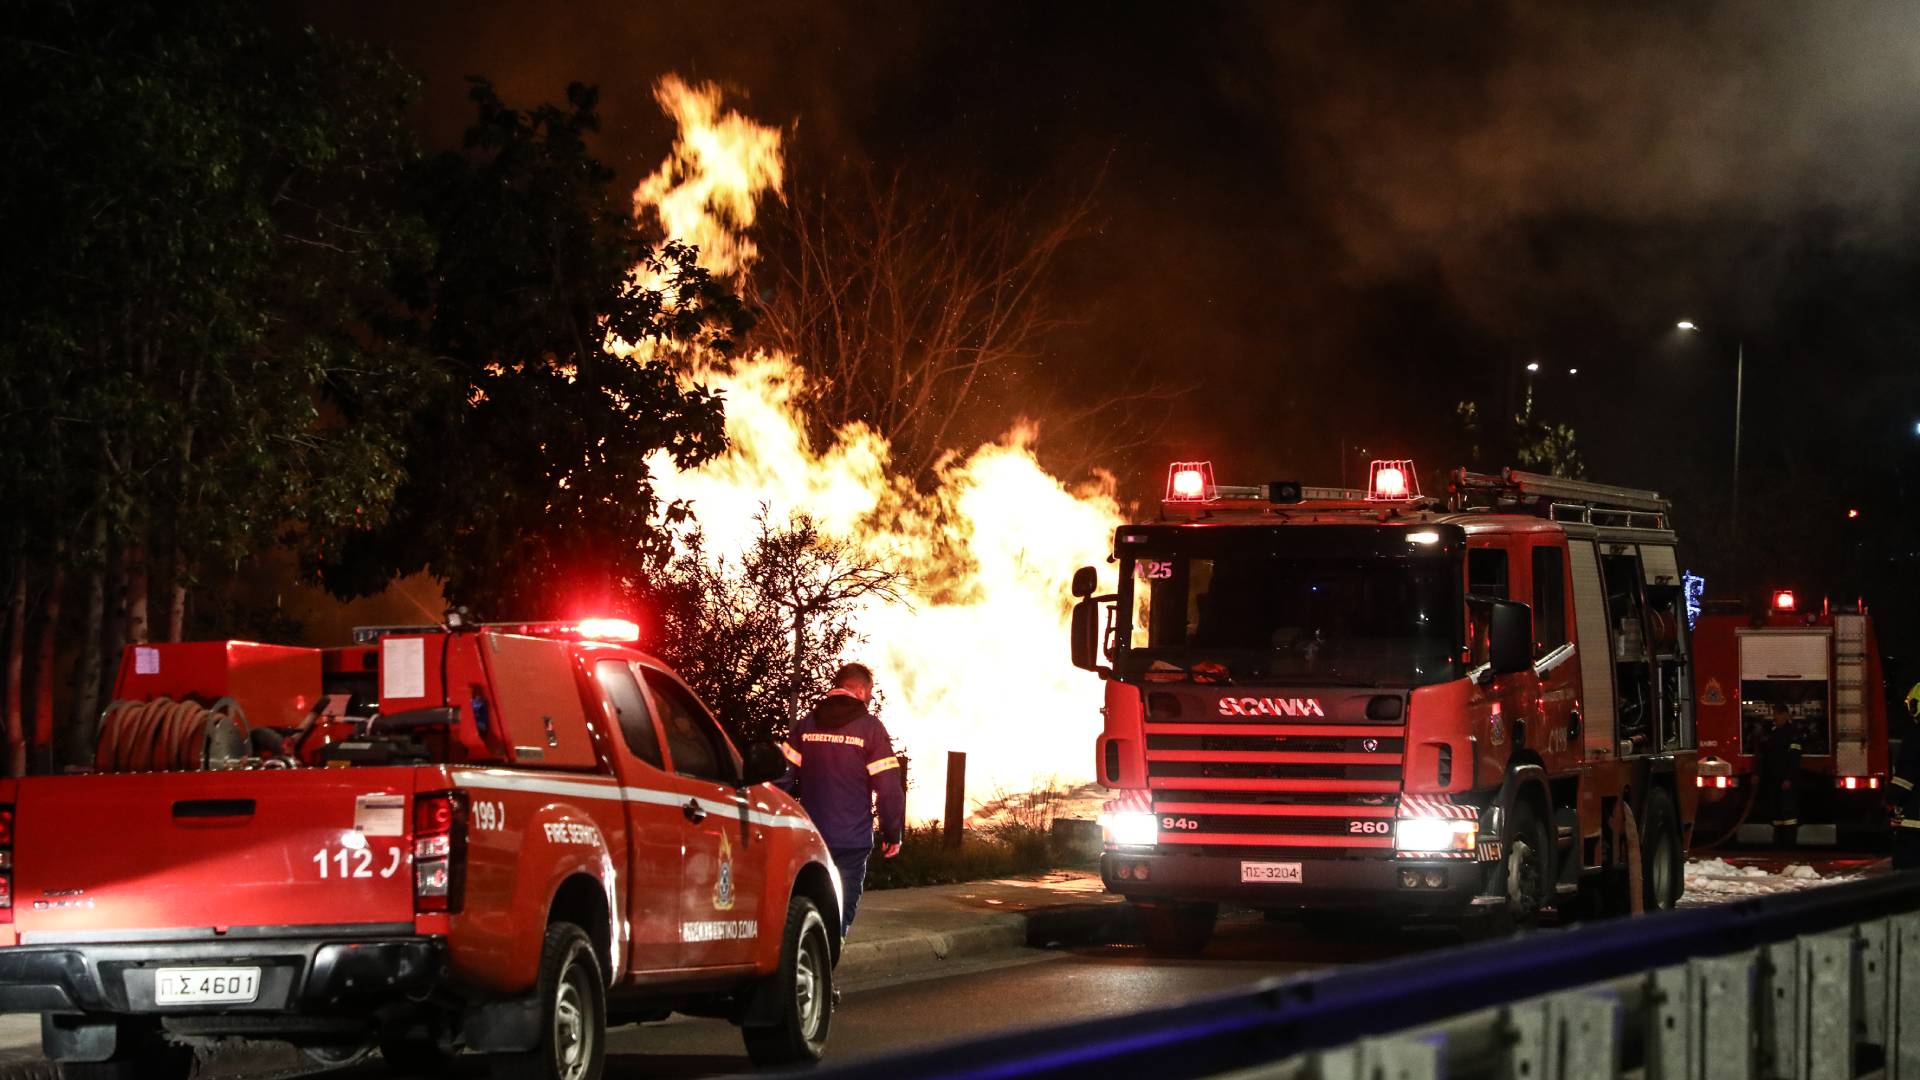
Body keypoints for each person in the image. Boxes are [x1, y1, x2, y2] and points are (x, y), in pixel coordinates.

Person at [779, 663, 904, 936]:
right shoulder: (870, 729)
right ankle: (833, 948)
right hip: (852, 840)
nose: (869, 698)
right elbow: (888, 787)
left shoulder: (806, 725)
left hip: (811, 838)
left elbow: (781, 779)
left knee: (810, 906)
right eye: (869, 692)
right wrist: (892, 832)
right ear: (860, 691)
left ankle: (811, 951)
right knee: (841, 909)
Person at [1759, 704, 1803, 846]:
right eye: (1774, 714)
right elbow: (1766, 755)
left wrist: (1788, 778)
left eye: (1777, 714)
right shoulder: (1774, 733)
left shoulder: (1793, 733)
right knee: (1776, 811)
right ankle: (1778, 843)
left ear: (1785, 715)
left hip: (1786, 779)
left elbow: (1794, 758)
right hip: (1774, 779)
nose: (1774, 717)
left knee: (1788, 812)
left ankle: (1789, 843)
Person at [1888, 686, 1920, 870]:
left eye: (1912, 705)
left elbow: (1906, 776)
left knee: (1906, 873)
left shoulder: (1916, 735)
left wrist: (1891, 798)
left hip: (1915, 823)